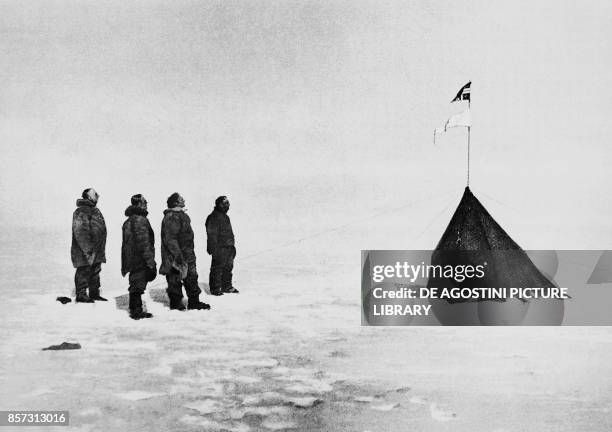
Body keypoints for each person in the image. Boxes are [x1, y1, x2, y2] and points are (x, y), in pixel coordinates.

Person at [160, 193, 211, 311]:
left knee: (192, 277)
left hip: (187, 254)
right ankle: (176, 304)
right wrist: (178, 256)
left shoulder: (182, 215)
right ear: (176, 202)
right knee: (175, 279)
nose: (184, 200)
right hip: (176, 256)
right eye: (181, 199)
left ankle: (194, 302)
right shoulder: (172, 217)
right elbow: (171, 239)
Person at [121, 194, 157, 320]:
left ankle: (135, 309)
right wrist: (150, 262)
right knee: (137, 285)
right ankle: (136, 311)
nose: (147, 203)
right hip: (140, 259)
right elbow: (144, 243)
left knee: (136, 284)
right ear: (138, 204)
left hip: (133, 259)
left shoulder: (130, 220)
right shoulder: (140, 220)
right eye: (144, 201)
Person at [71, 188, 107, 302]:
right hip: (84, 251)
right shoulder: (81, 211)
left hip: (96, 250)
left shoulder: (95, 210)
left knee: (95, 271)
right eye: (95, 194)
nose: (98, 195)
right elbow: (80, 232)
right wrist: (87, 250)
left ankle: (94, 293)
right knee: (83, 270)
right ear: (89, 197)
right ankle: (81, 294)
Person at [206, 196, 239, 295]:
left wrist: (232, 246)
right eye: (225, 203)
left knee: (228, 268)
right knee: (217, 268)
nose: (228, 205)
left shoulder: (225, 216)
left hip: (229, 248)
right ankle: (215, 289)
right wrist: (213, 249)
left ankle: (227, 286)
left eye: (228, 203)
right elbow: (212, 235)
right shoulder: (213, 217)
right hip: (219, 248)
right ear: (219, 204)